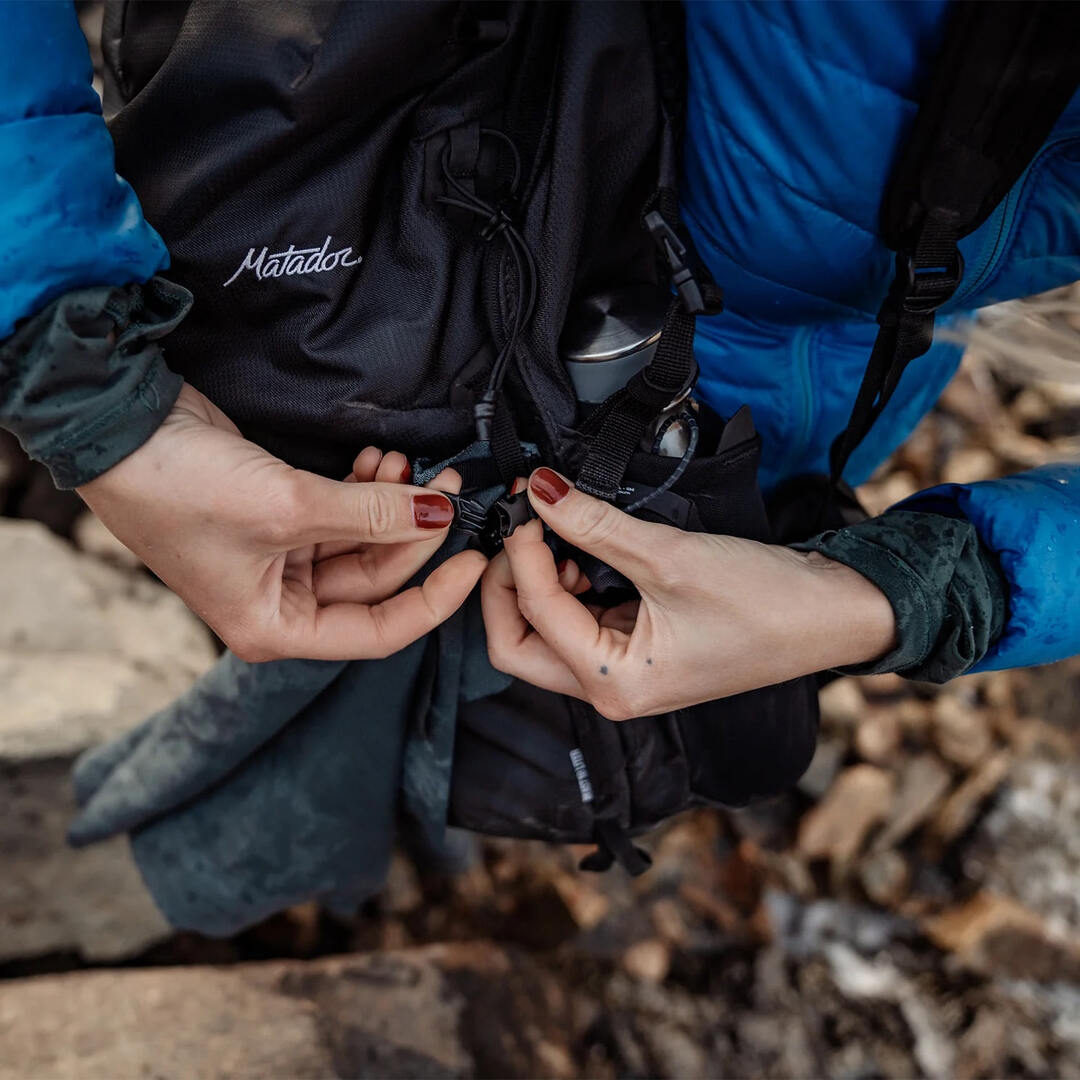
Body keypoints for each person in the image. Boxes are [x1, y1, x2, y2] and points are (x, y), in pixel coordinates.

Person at [1, 0, 1077, 932]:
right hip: (460, 275)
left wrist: (919, 586)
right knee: (382, 611)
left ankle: (441, 831)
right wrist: (81, 375)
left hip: (822, 377)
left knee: (638, 715)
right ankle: (410, 836)